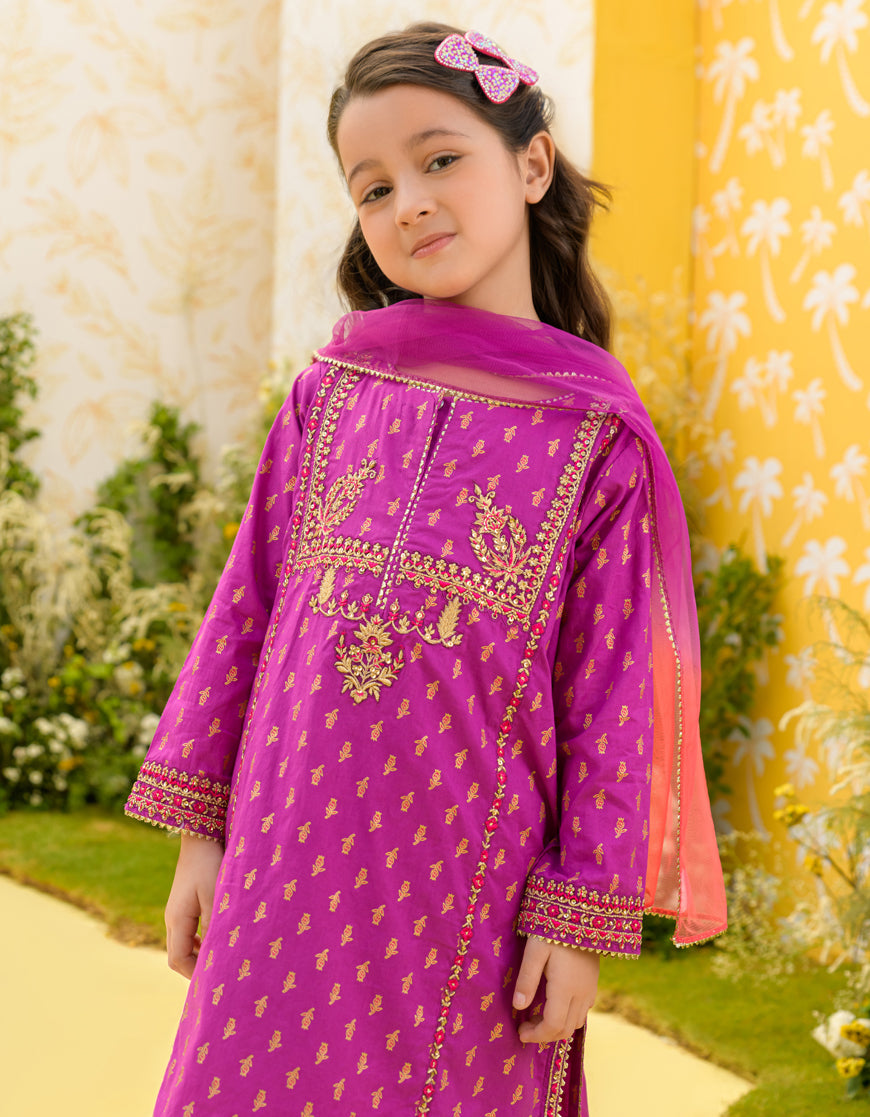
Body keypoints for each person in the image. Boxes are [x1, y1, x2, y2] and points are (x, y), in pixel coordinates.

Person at [125, 22, 726, 1117]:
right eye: (373, 188)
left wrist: (575, 915)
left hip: (467, 901)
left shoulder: (597, 442)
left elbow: (614, 698)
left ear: (531, 164)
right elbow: (246, 611)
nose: (408, 203)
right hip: (280, 862)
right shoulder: (331, 395)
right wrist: (199, 836)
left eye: (440, 159)